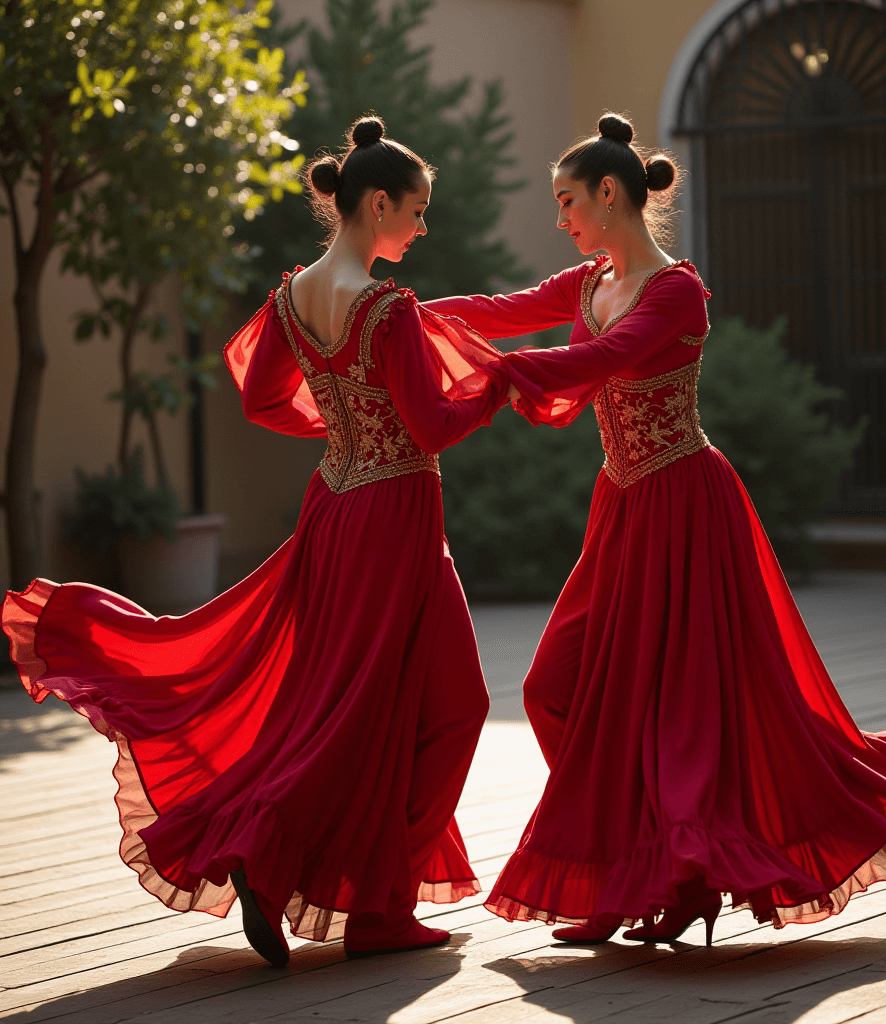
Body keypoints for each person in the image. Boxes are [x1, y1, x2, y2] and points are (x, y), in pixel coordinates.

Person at [423, 113, 886, 945]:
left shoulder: (675, 291)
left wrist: (499, 374)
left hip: (687, 507)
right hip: (622, 505)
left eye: (567, 200)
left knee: (682, 710)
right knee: (553, 685)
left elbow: (594, 364)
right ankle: (637, 863)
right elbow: (498, 310)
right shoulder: (587, 282)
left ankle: (674, 879)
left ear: (608, 193)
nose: (561, 219)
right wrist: (395, 315)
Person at [2, 115, 510, 967]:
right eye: (417, 212)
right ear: (376, 202)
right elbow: (433, 421)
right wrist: (497, 385)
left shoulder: (293, 297)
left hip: (334, 506)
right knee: (438, 708)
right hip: (392, 518)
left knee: (343, 710)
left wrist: (341, 423)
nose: (423, 230)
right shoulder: (386, 307)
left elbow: (261, 401)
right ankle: (369, 899)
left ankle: (286, 865)